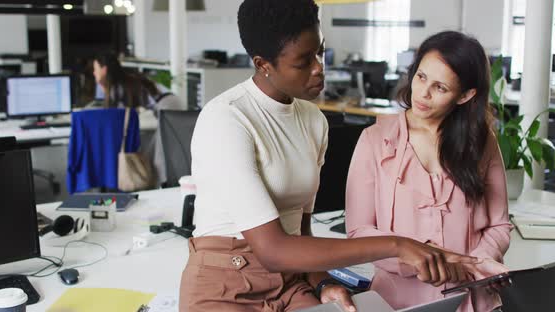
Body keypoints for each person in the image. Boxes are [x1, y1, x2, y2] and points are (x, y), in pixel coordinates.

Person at [179, 2, 479, 312]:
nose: (319, 68)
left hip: (290, 282)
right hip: (227, 284)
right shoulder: (227, 118)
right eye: (303, 61)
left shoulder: (313, 120)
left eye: (320, 52)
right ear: (263, 64)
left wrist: (323, 282)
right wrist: (399, 245)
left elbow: (301, 232)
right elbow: (272, 250)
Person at [345, 31, 513, 312]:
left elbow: (499, 225)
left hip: (472, 300)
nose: (422, 93)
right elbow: (358, 232)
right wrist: (418, 260)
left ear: (465, 95)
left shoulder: (482, 142)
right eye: (421, 77)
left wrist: (478, 262)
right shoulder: (375, 140)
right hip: (396, 302)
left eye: (440, 87)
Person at [92, 52, 162, 109]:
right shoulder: (107, 87)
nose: (94, 73)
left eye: (95, 69)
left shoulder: (117, 90)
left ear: (104, 70)